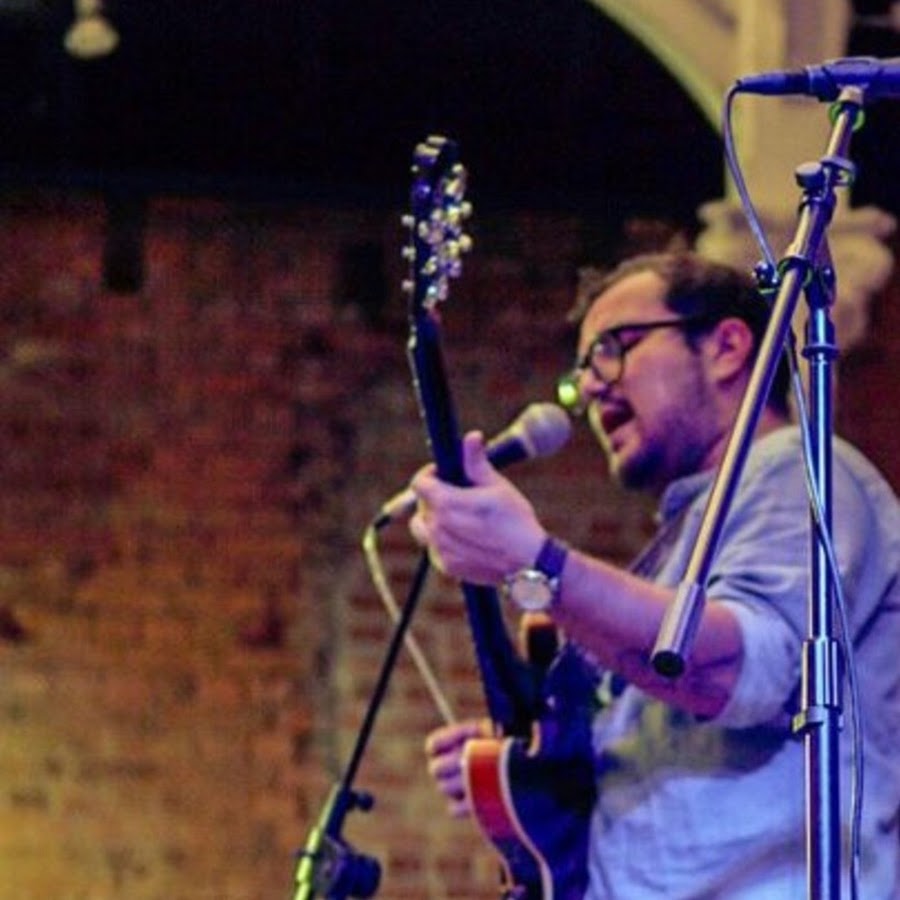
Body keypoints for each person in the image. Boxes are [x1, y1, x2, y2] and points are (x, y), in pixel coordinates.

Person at [408, 251, 900, 898]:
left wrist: (534, 563)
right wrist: (530, 772)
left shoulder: (799, 472)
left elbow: (735, 667)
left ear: (726, 347)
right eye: (581, 371)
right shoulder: (691, 535)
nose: (589, 389)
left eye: (615, 348)